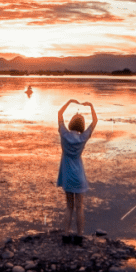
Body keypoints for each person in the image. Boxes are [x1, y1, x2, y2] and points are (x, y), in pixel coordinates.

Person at [56, 98, 97, 244]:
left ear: (71, 123)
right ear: (82, 126)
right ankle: (80, 236)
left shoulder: (64, 134)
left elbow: (60, 113)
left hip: (67, 176)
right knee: (80, 207)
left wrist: (69, 102)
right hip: (79, 176)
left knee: (69, 206)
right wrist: (91, 106)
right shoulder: (83, 138)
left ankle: (66, 234)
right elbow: (95, 122)